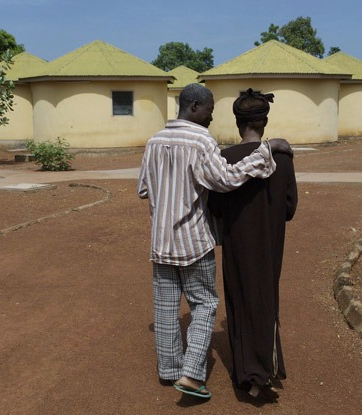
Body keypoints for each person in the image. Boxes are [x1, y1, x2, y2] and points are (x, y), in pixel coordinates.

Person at [137, 83, 292, 400]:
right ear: (195, 106)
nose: (210, 117)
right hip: (193, 241)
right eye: (208, 110)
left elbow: (143, 189)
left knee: (166, 308)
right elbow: (226, 180)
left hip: (161, 242)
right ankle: (192, 374)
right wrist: (267, 150)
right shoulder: (201, 141)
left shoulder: (154, 141)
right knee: (205, 305)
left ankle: (169, 371)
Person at [209, 88, 298, 400]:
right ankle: (266, 367)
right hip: (271, 242)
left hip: (237, 241)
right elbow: (290, 207)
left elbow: (216, 208)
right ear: (264, 121)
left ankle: (248, 373)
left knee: (240, 297)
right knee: (266, 297)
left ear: (238, 122)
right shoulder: (283, 158)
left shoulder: (224, 159)